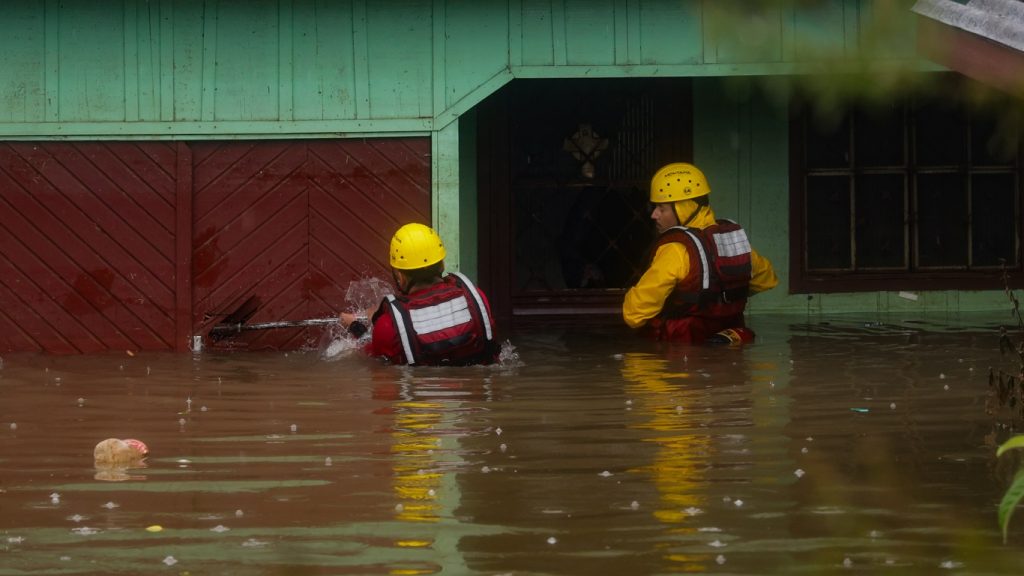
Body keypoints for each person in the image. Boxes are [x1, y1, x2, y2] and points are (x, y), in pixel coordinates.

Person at [623, 162, 778, 344]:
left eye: (662, 208)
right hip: (728, 343)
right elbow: (767, 279)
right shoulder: (730, 240)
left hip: (682, 352)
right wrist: (722, 295)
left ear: (683, 207)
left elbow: (634, 314)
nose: (654, 215)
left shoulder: (675, 250)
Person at [340, 223, 499, 366]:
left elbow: (369, 354)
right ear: (442, 263)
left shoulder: (388, 326)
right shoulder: (477, 298)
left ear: (400, 276)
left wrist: (356, 327)